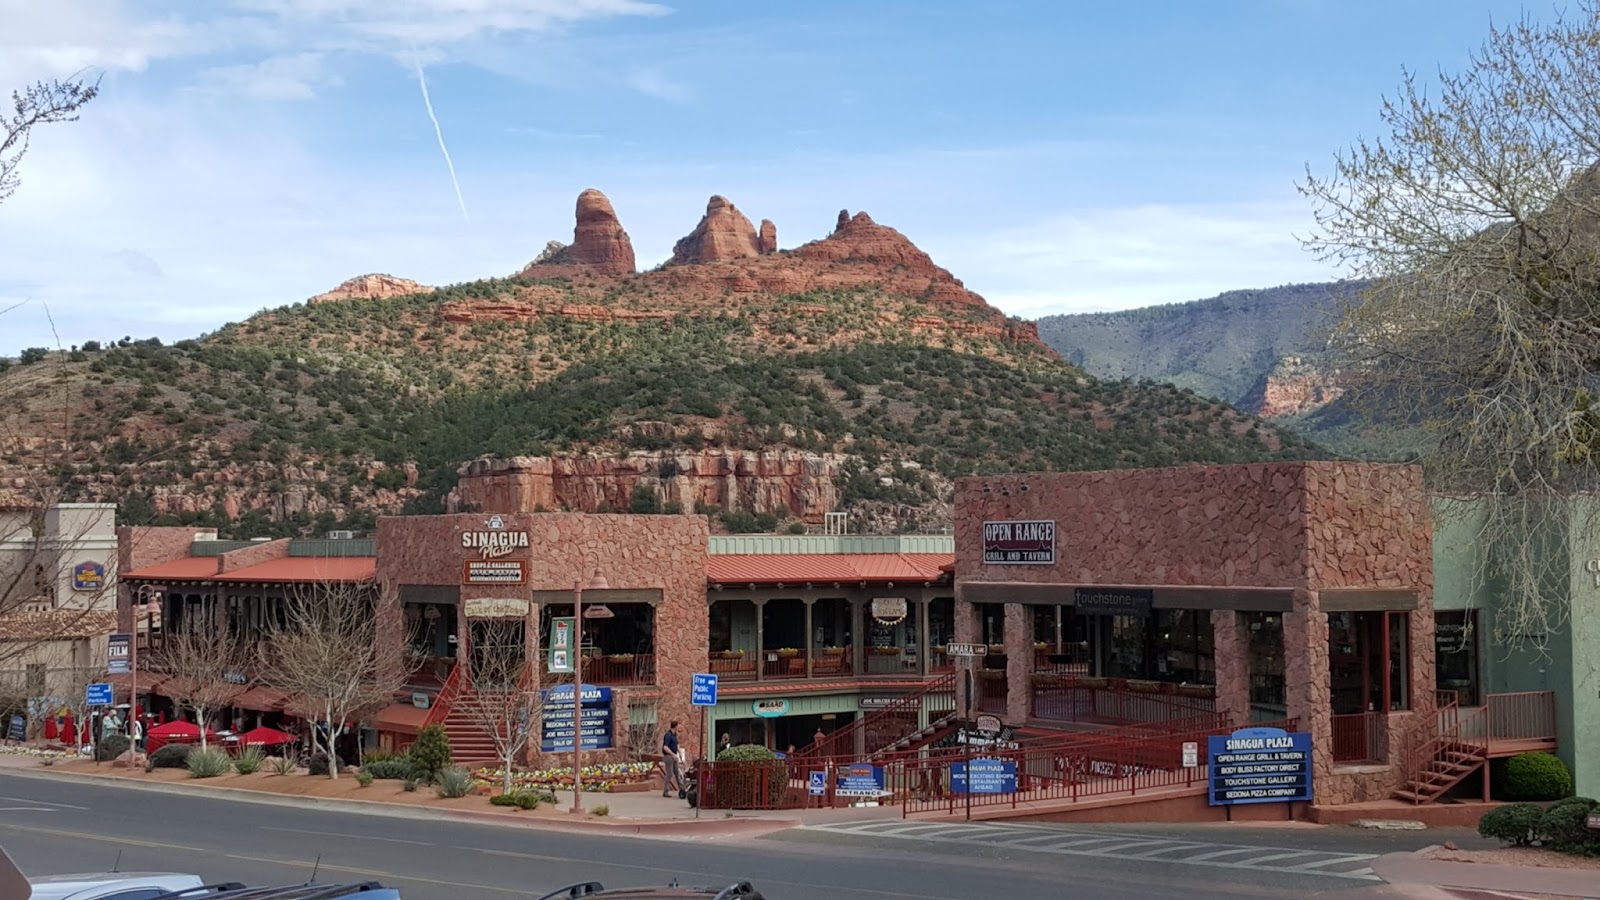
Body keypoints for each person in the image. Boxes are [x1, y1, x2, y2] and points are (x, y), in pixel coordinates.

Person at [661, 720, 682, 798]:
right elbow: (665, 747)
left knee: (677, 772)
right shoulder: (668, 735)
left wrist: (679, 752)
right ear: (675, 726)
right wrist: (673, 754)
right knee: (669, 773)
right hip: (668, 756)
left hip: (674, 756)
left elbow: (677, 744)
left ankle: (682, 789)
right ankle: (665, 791)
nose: (678, 727)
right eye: (678, 726)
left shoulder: (674, 735)